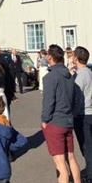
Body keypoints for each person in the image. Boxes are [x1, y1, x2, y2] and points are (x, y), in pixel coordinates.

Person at [42, 44, 81, 183]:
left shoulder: (50, 77)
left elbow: (48, 102)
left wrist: (44, 120)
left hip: (55, 121)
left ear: (50, 57)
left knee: (59, 163)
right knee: (70, 157)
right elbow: (75, 99)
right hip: (68, 120)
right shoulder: (69, 76)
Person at [72, 46, 92, 183]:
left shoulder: (80, 76)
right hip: (89, 112)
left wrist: (72, 113)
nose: (71, 57)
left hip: (82, 114)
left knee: (86, 147)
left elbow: (76, 97)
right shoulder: (89, 72)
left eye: (73, 55)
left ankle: (90, 175)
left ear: (77, 58)